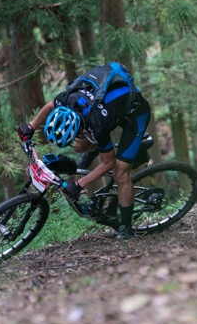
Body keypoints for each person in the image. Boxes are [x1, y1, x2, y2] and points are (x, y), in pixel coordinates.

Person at [17, 62, 151, 241]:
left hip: (135, 116)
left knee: (120, 173)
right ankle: (94, 152)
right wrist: (30, 126)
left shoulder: (97, 124)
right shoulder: (67, 99)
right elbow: (50, 105)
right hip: (108, 111)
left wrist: (80, 184)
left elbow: (108, 163)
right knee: (80, 146)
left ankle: (126, 227)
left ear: (79, 127)